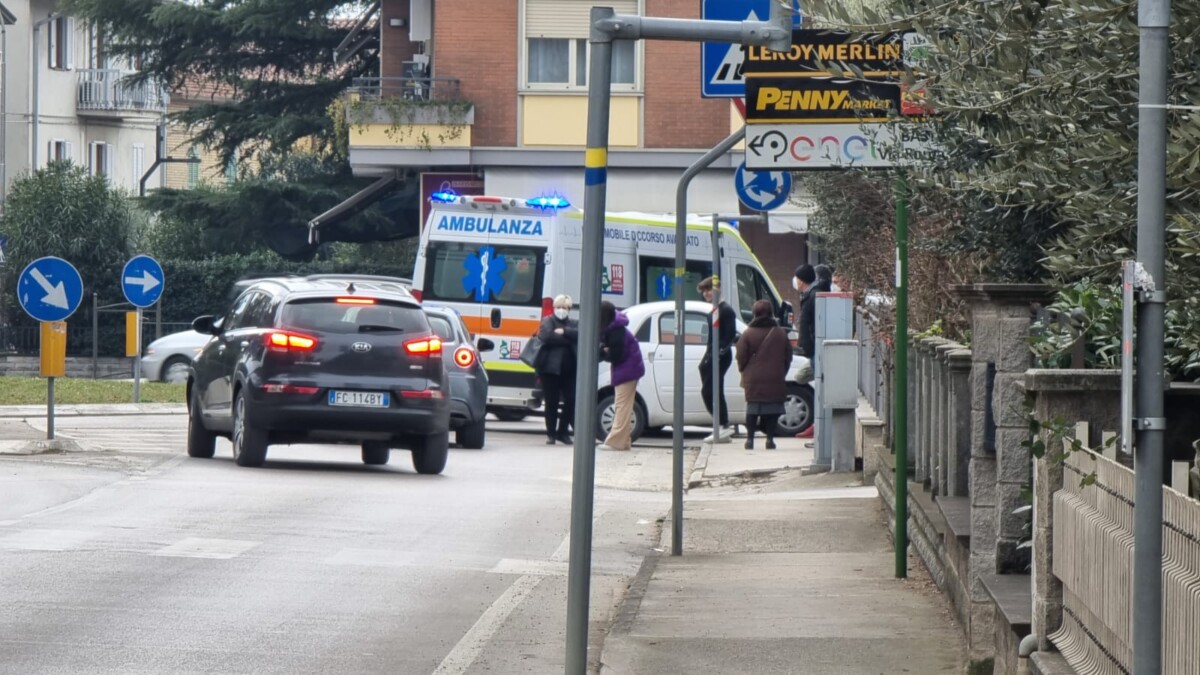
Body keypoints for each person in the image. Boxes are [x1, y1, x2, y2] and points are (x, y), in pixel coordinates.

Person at [736, 300, 792, 450]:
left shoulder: (747, 333)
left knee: (753, 408)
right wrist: (781, 371)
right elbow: (788, 355)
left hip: (753, 377)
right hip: (775, 377)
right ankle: (770, 439)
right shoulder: (780, 333)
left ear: (754, 313)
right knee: (773, 409)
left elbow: (740, 356)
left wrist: (744, 370)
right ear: (771, 313)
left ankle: (750, 440)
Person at [598, 300, 645, 452]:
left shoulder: (615, 331)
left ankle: (615, 442)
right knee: (625, 406)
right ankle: (624, 441)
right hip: (631, 369)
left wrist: (603, 352)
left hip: (627, 370)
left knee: (622, 406)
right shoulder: (616, 327)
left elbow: (616, 354)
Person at [698, 276, 738, 443]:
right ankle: (721, 426)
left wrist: (719, 352)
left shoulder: (726, 310)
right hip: (712, 353)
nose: (706, 293)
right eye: (704, 291)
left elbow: (729, 335)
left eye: (709, 289)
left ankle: (723, 424)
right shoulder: (715, 310)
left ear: (718, 289)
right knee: (713, 390)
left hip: (719, 355)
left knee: (710, 391)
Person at [537, 294, 578, 445]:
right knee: (551, 402)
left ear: (569, 309)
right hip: (549, 369)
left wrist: (565, 332)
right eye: (559, 307)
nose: (561, 310)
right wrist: (568, 340)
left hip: (569, 370)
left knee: (571, 400)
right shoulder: (547, 321)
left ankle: (563, 432)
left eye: (565, 307)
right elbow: (547, 337)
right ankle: (551, 434)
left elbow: (580, 334)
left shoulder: (573, 323)